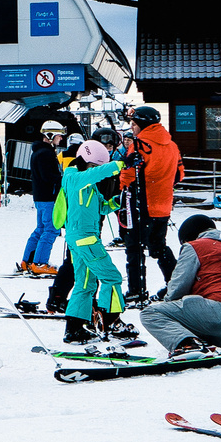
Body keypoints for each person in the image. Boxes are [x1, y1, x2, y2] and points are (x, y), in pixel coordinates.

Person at [137, 215, 221, 356]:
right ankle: (198, 342)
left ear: (188, 237)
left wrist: (170, 312)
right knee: (192, 316)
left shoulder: (195, 246)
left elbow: (178, 286)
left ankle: (189, 344)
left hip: (217, 313)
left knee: (150, 313)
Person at [56, 141, 131, 345]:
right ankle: (111, 321)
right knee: (111, 277)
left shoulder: (88, 185)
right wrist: (120, 164)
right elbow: (94, 175)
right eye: (94, 167)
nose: (96, 172)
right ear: (86, 163)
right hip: (85, 238)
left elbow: (102, 208)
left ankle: (74, 329)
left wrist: (117, 202)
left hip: (81, 239)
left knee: (86, 282)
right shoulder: (73, 177)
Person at [124, 106, 182, 299]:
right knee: (159, 247)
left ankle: (136, 290)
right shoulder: (171, 145)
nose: (132, 128)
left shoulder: (140, 145)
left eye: (134, 124)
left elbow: (128, 176)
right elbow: (180, 174)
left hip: (141, 205)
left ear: (142, 124)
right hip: (163, 205)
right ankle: (175, 285)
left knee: (135, 248)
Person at [18, 129, 64, 274]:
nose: (61, 138)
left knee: (41, 229)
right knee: (51, 229)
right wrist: (63, 180)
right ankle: (39, 263)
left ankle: (29, 261)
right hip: (48, 197)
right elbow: (48, 176)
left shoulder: (39, 152)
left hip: (41, 197)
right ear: (50, 136)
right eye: (58, 135)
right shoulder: (46, 153)